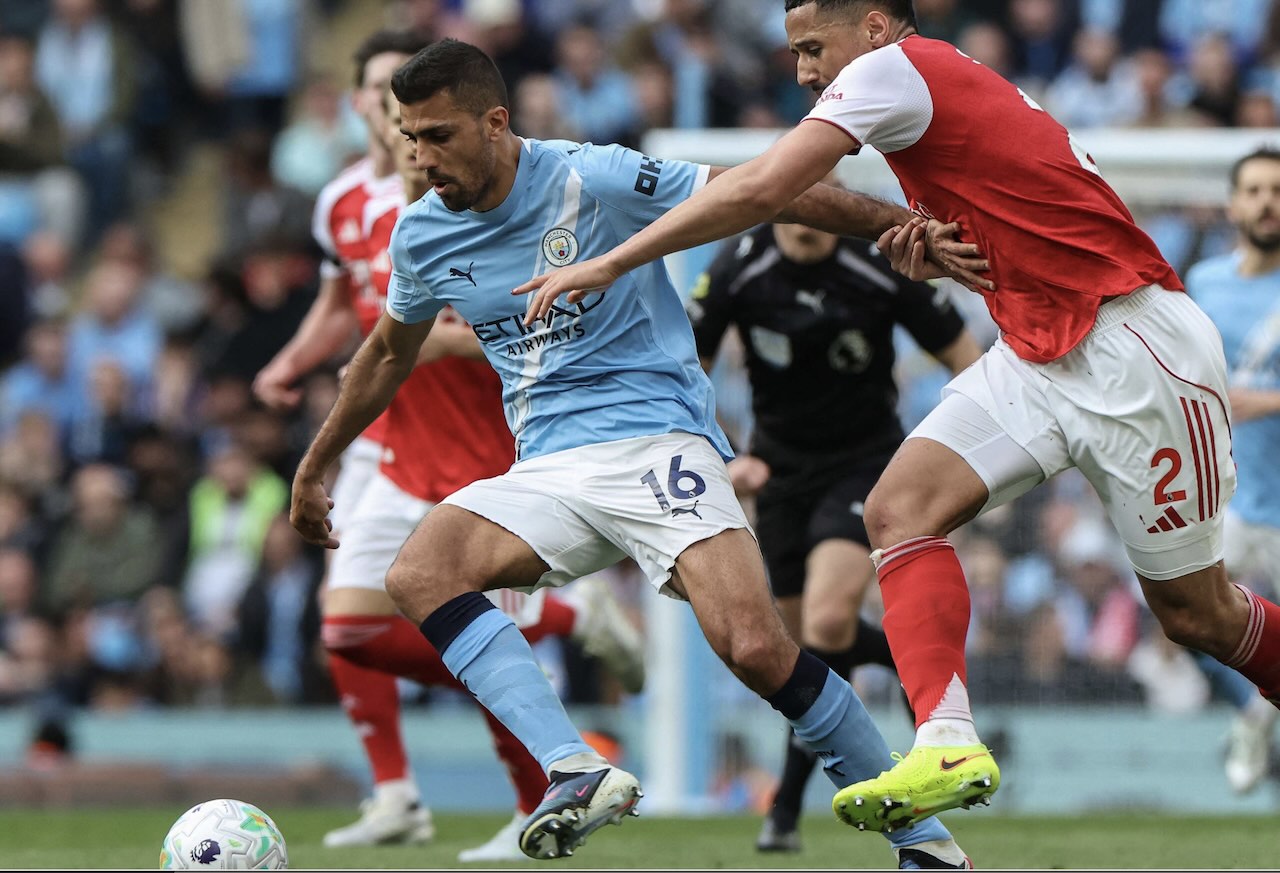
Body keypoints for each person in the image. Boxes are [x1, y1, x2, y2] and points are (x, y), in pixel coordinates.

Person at [517, 0, 1280, 835]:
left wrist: (615, 261)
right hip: (1036, 348)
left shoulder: (890, 71)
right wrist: (922, 240)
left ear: (875, 28)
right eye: (795, 53)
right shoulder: (921, 84)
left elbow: (772, 185)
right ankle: (947, 740)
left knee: (1197, 613)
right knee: (899, 508)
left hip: (1135, 348)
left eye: (814, 47)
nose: (804, 71)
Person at [290, 38, 975, 869]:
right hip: (548, 463)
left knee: (757, 648)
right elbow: (386, 355)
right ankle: (574, 767)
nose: (421, 157)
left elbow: (775, 194)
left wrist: (901, 227)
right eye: (410, 137)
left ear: (496, 122)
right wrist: (317, 462)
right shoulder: (422, 237)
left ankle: (927, 842)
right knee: (420, 571)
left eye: (439, 135)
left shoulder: (592, 177)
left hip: (656, 438)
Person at [254, 30, 644, 858]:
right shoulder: (344, 205)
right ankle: (402, 787)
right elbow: (349, 313)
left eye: (397, 105)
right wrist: (294, 363)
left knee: (458, 624)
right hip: (391, 446)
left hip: (485, 445)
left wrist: (441, 342)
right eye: (372, 98)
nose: (381, 113)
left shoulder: (473, 204)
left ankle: (537, 788)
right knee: (349, 629)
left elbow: (523, 320)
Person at [689, 216, 982, 851]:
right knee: (796, 652)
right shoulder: (740, 265)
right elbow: (687, 371)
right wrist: (727, 453)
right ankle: (797, 799)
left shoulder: (877, 260)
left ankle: (789, 803)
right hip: (777, 472)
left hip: (867, 467)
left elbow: (966, 359)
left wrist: (948, 459)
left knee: (824, 625)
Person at [1185, 147, 1280, 795]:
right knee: (1185, 613)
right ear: (1233, 203)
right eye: (1254, 190)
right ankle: (1251, 712)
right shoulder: (1205, 282)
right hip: (1228, 493)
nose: (1267, 201)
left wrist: (1267, 401)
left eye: (1277, 189)